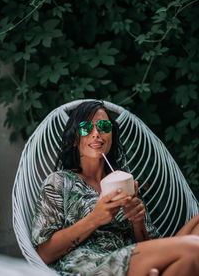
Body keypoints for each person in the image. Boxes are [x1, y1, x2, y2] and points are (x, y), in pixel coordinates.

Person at [31, 100, 199, 276]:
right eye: (85, 128)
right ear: (75, 138)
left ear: (111, 134)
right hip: (92, 264)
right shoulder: (59, 182)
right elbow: (43, 253)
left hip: (133, 256)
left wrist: (138, 221)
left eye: (104, 126)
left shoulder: (123, 182)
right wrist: (95, 219)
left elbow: (145, 243)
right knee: (194, 250)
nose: (96, 133)